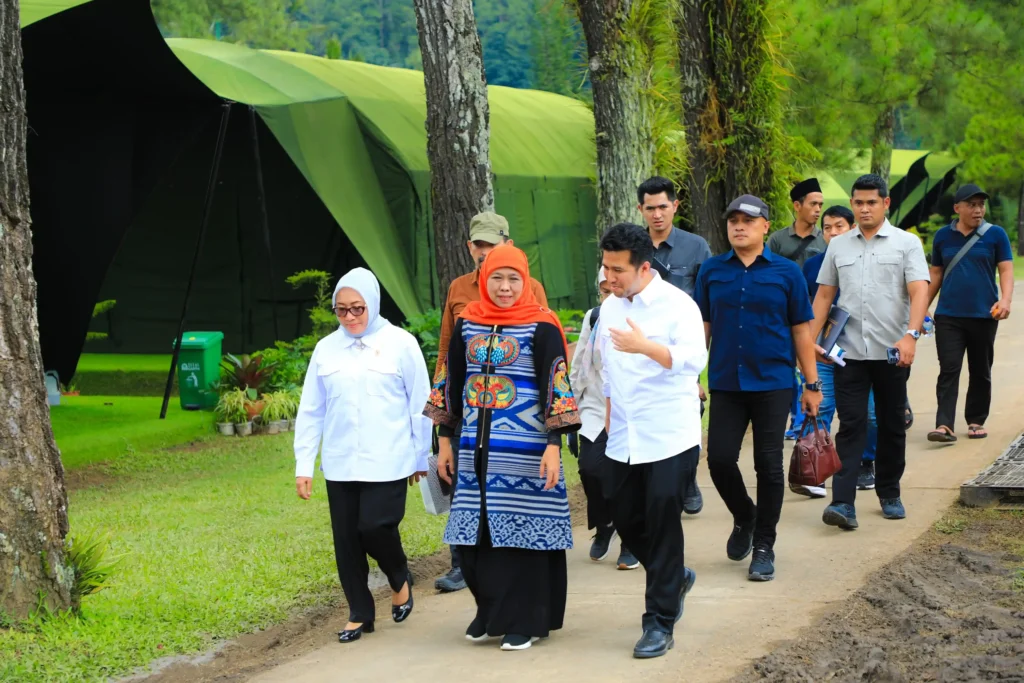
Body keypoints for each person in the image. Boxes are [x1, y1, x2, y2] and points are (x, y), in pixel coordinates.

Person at [425, 243, 580, 652]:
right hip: (475, 449)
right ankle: (489, 612)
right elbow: (450, 385)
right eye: (497, 278)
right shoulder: (468, 324)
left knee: (522, 538)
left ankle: (525, 620)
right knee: (475, 540)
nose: (505, 287)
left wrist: (553, 445)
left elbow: (556, 387)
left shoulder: (541, 325)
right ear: (484, 279)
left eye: (514, 279)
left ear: (525, 281)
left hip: (527, 452)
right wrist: (444, 442)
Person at [294, 268, 430, 644]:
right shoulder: (326, 349)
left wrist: (422, 457)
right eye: (342, 311)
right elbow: (311, 410)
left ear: (372, 303)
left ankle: (399, 575)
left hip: (389, 459)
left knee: (374, 527)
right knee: (347, 541)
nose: (350, 317)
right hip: (340, 462)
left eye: (358, 309)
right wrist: (303, 466)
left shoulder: (401, 343)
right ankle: (359, 612)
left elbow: (420, 404)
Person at [694, 195, 822, 583]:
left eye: (748, 220)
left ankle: (764, 544)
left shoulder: (786, 273)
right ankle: (745, 516)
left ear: (766, 226)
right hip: (727, 383)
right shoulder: (712, 271)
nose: (739, 226)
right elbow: (703, 327)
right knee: (718, 459)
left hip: (773, 383)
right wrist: (691, 380)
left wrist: (812, 384)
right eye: (733, 220)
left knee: (768, 465)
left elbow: (801, 330)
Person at [596, 223, 706, 659]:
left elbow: (694, 361)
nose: (609, 277)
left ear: (643, 267)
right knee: (625, 517)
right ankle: (674, 576)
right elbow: (606, 371)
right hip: (623, 435)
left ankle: (658, 622)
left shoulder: (678, 306)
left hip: (669, 435)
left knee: (661, 522)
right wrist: (606, 426)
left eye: (617, 269)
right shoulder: (608, 307)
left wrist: (646, 347)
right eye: (605, 267)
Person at [432, 211, 548, 593]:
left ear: (507, 246)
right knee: (463, 482)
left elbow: (547, 349)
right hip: (468, 404)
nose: (485, 253)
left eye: (492, 246)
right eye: (479, 245)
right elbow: (448, 351)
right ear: (470, 248)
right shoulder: (458, 289)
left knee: (504, 486)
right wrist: (442, 416)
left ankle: (514, 561)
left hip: (515, 414)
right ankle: (461, 562)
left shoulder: (527, 285)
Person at [812, 174, 930, 530]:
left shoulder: (906, 243)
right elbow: (823, 295)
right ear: (852, 204)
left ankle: (889, 492)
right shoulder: (838, 246)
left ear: (886, 204)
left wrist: (910, 336)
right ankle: (843, 503)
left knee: (892, 424)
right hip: (849, 353)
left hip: (892, 352)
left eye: (871, 202)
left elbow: (919, 291)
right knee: (850, 424)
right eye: (858, 203)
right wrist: (811, 340)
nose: (864, 208)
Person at [637, 176, 712, 515]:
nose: (656, 214)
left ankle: (687, 479)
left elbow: (707, 303)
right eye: (649, 208)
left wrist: (697, 371)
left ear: (675, 206)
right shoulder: (632, 245)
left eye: (662, 207)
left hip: (682, 348)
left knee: (687, 413)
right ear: (641, 209)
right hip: (639, 346)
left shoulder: (696, 247)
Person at [798, 205, 878, 496]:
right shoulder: (811, 266)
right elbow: (806, 308)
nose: (832, 233)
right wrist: (807, 346)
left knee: (868, 414)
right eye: (827, 228)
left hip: (862, 352)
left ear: (852, 227)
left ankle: (865, 462)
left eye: (839, 226)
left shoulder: (867, 260)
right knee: (819, 408)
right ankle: (813, 468)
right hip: (823, 350)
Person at [926, 183, 1013, 443]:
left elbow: (1007, 270)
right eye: (972, 205)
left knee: (980, 369)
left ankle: (976, 419)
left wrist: (1005, 300)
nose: (978, 210)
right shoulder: (943, 236)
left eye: (981, 205)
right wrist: (921, 310)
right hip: (949, 315)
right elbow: (936, 274)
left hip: (984, 314)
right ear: (957, 208)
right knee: (949, 368)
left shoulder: (996, 235)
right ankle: (944, 425)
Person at [568, 272, 639, 570]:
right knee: (591, 470)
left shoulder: (639, 317)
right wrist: (570, 415)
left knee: (628, 477)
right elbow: (579, 363)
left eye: (615, 287)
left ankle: (631, 539)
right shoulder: (593, 317)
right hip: (596, 408)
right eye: (602, 289)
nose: (609, 293)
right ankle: (605, 523)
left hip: (633, 410)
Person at [770, 178, 827, 441]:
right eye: (813, 204)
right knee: (789, 368)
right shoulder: (778, 240)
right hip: (783, 313)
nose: (817, 209)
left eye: (820, 205)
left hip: (816, 313)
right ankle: (794, 419)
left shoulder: (825, 239)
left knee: (812, 366)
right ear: (797, 205)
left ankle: (809, 417)